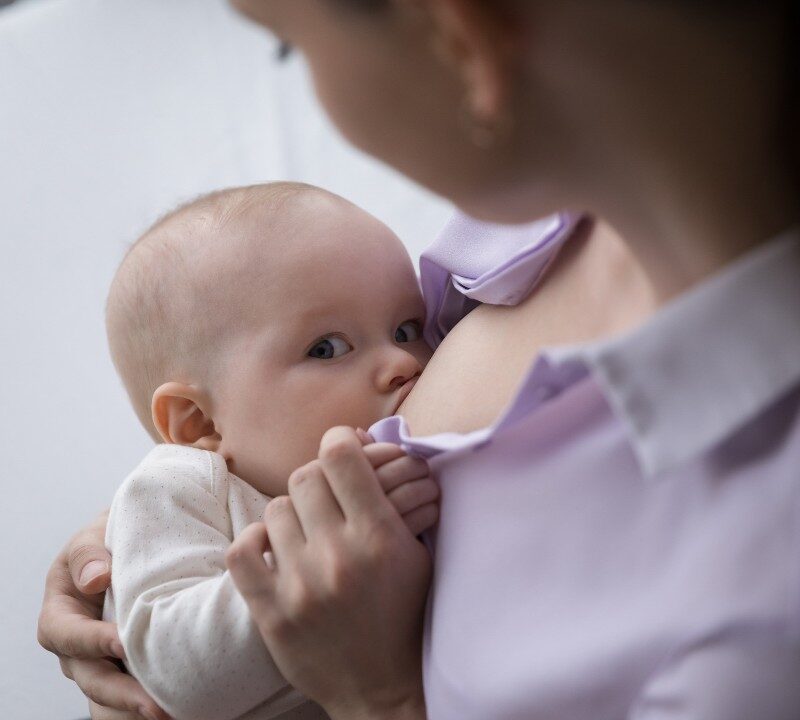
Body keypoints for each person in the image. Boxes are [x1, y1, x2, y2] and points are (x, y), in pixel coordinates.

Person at [38, 1, 800, 719]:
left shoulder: (756, 616)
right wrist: (132, 559)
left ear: (456, 34)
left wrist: (378, 695)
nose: (404, 361)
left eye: (289, 40)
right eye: (329, 347)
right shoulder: (516, 222)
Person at [105, 181, 444, 719]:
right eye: (327, 347)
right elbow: (171, 670)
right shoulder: (178, 488)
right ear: (199, 424)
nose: (404, 362)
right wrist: (311, 564)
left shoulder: (412, 467)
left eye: (406, 329)